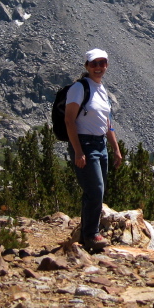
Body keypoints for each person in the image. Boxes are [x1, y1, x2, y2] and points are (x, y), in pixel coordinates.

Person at [64, 48, 123, 253]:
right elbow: (69, 120)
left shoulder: (101, 88)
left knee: (96, 191)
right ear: (87, 66)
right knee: (95, 190)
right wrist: (78, 151)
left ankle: (86, 233)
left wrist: (115, 148)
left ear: (106, 65)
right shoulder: (79, 88)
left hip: (100, 144)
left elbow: (107, 123)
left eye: (102, 63)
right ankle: (91, 234)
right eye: (94, 63)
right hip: (85, 145)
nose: (98, 67)